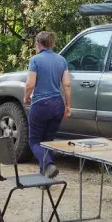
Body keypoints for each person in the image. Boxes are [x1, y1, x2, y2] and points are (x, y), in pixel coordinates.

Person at [24, 30, 71, 179]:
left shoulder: (35, 60)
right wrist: (68, 105)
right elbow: (67, 85)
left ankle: (49, 165)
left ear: (38, 44)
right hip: (58, 105)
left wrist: (26, 97)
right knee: (47, 141)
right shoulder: (61, 60)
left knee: (34, 141)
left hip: (41, 105)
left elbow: (30, 85)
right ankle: (45, 177)